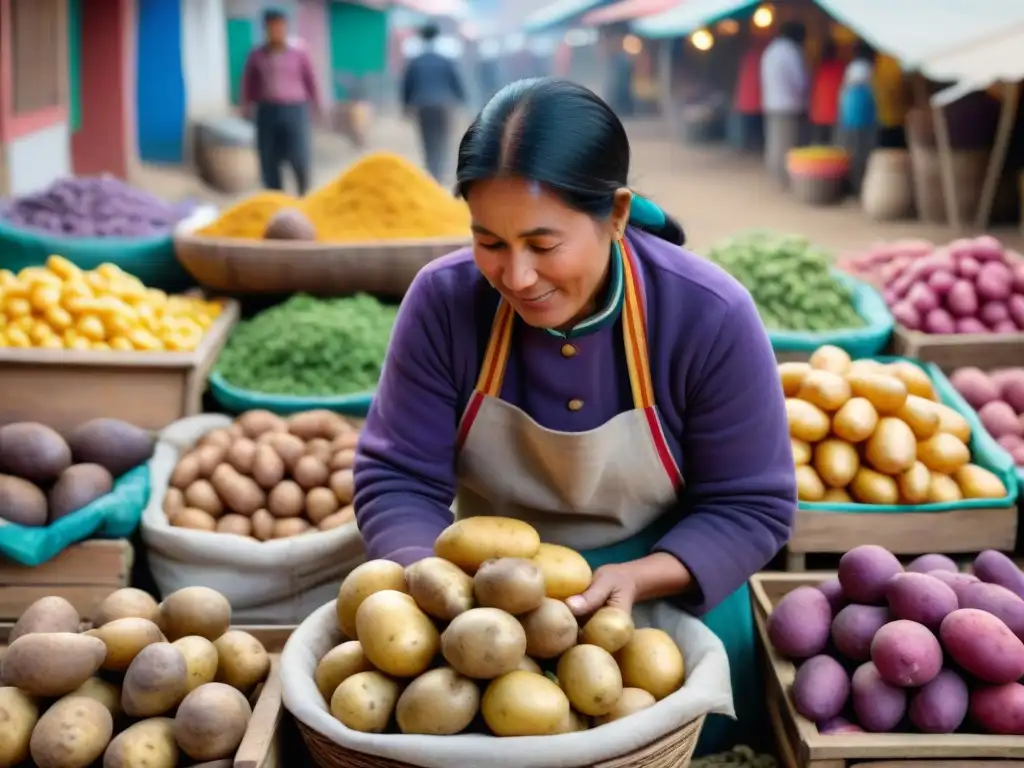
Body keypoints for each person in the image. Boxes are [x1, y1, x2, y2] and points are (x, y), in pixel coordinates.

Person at [354, 78, 796, 753]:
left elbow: (751, 505)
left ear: (616, 213)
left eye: (543, 243)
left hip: (666, 612)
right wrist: (446, 594)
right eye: (489, 242)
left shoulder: (707, 314)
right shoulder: (443, 304)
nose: (517, 275)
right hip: (491, 623)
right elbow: (396, 479)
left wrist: (638, 578)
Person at [239, 9, 321, 195]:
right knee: (269, 159)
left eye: (279, 26)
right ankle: (276, 199)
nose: (276, 31)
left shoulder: (299, 54)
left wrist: (317, 106)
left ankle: (304, 195)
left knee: (298, 156)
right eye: (271, 27)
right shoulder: (256, 56)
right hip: (267, 111)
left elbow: (311, 81)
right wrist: (245, 108)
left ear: (285, 27)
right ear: (265, 29)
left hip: (294, 110)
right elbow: (248, 85)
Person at [402, 22, 466, 183]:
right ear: (437, 37)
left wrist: (405, 106)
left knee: (427, 139)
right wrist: (461, 100)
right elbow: (456, 82)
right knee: (442, 139)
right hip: (443, 104)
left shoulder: (415, 61)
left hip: (422, 105)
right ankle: (438, 174)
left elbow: (407, 85)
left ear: (421, 38)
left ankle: (431, 172)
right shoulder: (445, 60)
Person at [760, 21, 809, 186]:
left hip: (771, 103)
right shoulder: (791, 52)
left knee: (775, 142)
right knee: (788, 144)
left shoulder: (771, 50)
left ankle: (776, 176)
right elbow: (799, 81)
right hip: (789, 105)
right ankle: (786, 179)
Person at [837, 40, 878, 194]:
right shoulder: (864, 69)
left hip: (849, 117)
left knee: (851, 152)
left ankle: (853, 186)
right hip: (861, 118)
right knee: (860, 153)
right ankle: (857, 188)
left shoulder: (852, 68)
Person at [808, 41, 846, 145]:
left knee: (819, 147)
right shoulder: (841, 67)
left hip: (818, 114)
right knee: (834, 148)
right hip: (835, 114)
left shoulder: (817, 67)